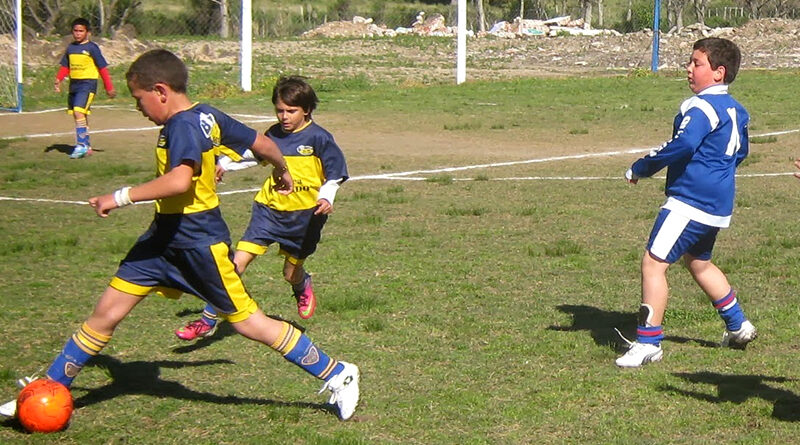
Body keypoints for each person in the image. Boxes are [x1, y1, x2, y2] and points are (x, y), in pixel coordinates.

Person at [0, 49, 359, 421]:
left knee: (250, 323)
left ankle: (338, 373)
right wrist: (282, 168)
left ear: (160, 90)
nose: (139, 109)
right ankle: (47, 390)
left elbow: (179, 180)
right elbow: (263, 143)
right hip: (160, 240)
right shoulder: (208, 114)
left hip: (199, 242)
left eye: (139, 100)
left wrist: (119, 196)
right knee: (104, 315)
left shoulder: (183, 125)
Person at [615, 37, 757, 368]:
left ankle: (648, 342)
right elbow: (741, 153)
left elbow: (683, 144)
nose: (689, 69)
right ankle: (738, 325)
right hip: (719, 203)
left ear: (719, 72)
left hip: (690, 201)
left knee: (653, 263)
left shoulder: (701, 106)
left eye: (697, 63)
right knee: (699, 262)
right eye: (690, 63)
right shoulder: (737, 109)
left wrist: (642, 166)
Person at [175, 76, 348, 341]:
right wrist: (225, 163)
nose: (284, 116)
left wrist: (326, 197)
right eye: (280, 110)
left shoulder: (319, 138)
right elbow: (256, 155)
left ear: (307, 110)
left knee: (290, 273)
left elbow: (335, 173)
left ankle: (301, 283)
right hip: (268, 210)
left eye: (291, 111)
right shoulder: (274, 134)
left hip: (305, 217)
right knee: (235, 264)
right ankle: (206, 321)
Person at [55, 17, 116, 159]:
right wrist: (58, 79)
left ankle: (80, 146)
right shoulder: (70, 48)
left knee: (78, 111)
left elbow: (102, 69)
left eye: (81, 31)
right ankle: (87, 147)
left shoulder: (92, 48)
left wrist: (109, 87)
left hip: (87, 84)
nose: (77, 34)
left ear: (87, 32)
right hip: (74, 85)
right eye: (75, 31)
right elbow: (66, 66)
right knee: (80, 114)